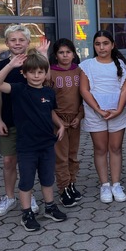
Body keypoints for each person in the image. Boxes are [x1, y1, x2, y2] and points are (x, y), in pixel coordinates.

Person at [0, 51, 67, 231]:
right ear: (24, 74)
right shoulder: (19, 90)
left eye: (40, 72)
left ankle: (49, 206)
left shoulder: (49, 92)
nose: (36, 76)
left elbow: (49, 111)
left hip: (47, 144)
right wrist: (10, 65)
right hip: (27, 147)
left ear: (45, 74)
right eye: (32, 72)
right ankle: (26, 214)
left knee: (47, 178)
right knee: (26, 181)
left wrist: (61, 125)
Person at [0, 25, 48, 218]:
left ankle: (28, 195)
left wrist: (44, 55)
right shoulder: (1, 67)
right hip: (9, 121)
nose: (17, 43)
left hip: (31, 124)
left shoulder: (33, 64)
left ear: (27, 42)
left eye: (21, 40)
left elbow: (46, 83)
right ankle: (9, 197)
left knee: (28, 162)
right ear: (7, 43)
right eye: (13, 40)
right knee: (9, 161)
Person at [79, 31, 126, 204]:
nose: (102, 47)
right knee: (100, 149)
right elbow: (84, 90)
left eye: (105, 43)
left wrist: (118, 109)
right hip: (96, 113)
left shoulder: (122, 65)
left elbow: (125, 89)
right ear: (94, 46)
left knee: (115, 148)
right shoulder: (87, 65)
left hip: (117, 112)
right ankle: (105, 184)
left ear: (113, 45)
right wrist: (98, 110)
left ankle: (116, 183)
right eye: (98, 44)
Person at [48, 38, 84, 208]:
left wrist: (79, 116)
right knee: (61, 157)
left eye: (68, 52)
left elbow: (84, 96)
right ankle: (63, 189)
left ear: (73, 54)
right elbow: (47, 100)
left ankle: (71, 183)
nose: (65, 56)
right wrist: (58, 120)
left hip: (75, 120)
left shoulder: (79, 71)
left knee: (73, 155)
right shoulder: (51, 72)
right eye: (61, 53)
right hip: (58, 121)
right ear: (55, 55)